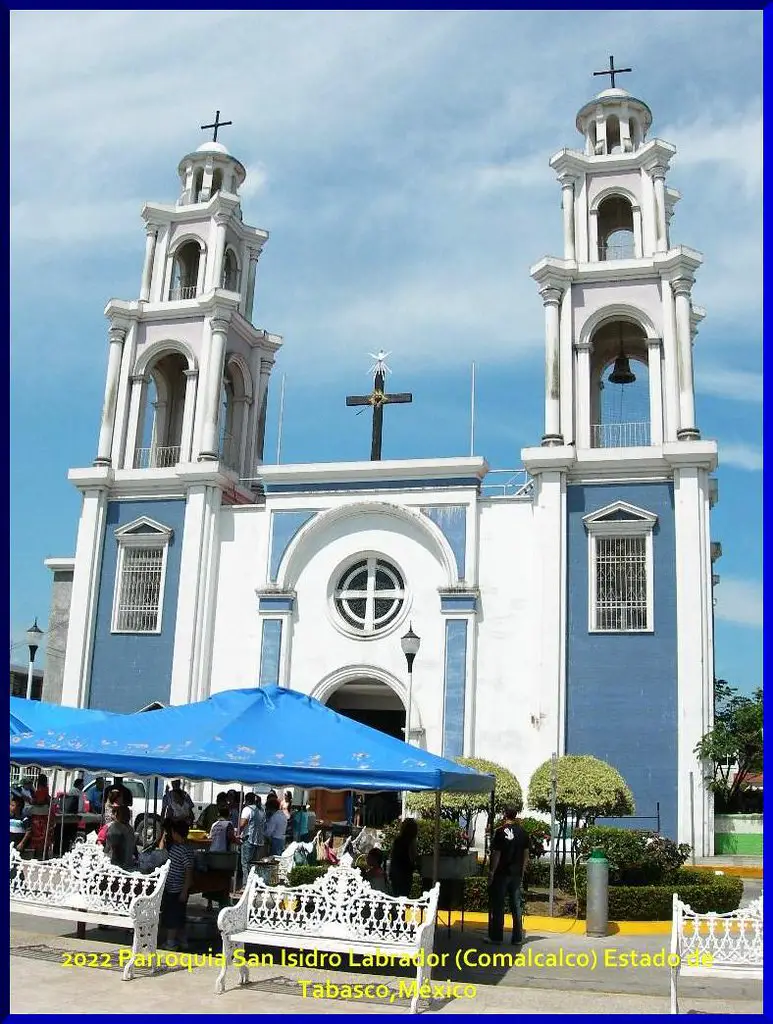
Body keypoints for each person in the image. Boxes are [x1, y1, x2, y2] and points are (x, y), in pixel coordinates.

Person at [486, 805, 529, 946]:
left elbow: (497, 854)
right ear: (515, 815)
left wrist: (492, 872)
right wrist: (522, 870)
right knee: (516, 906)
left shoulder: (499, 832)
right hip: (516, 874)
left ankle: (496, 937)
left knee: (498, 905)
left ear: (505, 814)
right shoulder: (523, 832)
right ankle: (517, 937)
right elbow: (526, 854)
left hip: (502, 873)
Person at [159, 821, 194, 951]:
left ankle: (170, 942)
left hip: (177, 889)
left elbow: (189, 870)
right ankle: (182, 940)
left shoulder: (183, 849)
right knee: (178, 916)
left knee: (173, 916)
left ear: (175, 833)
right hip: (173, 888)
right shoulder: (178, 847)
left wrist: (184, 890)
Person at [388, 818, 418, 898]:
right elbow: (412, 858)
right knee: (403, 896)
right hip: (405, 873)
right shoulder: (410, 842)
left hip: (396, 872)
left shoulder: (398, 841)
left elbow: (392, 856)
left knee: (396, 896)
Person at [104, 804, 138, 871]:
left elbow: (110, 849)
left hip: (117, 867)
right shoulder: (130, 829)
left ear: (118, 815)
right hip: (129, 865)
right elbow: (134, 850)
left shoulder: (115, 827)